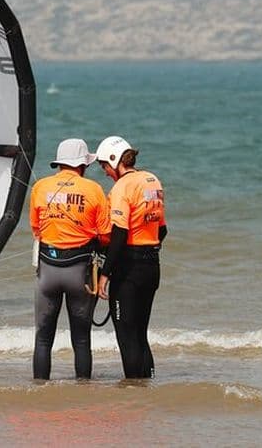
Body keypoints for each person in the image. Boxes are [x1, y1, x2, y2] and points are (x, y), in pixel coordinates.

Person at [29, 138, 111, 380]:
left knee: (43, 338)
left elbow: (36, 228)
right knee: (82, 339)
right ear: (83, 165)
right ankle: (83, 393)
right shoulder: (93, 190)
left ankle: (39, 392)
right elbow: (105, 236)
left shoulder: (40, 187)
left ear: (60, 163)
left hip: (48, 272)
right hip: (80, 273)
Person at [95, 136, 167, 379]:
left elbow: (119, 234)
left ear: (115, 161)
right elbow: (162, 229)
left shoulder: (122, 187)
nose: (105, 172)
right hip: (151, 266)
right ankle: (147, 387)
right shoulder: (152, 180)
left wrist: (105, 274)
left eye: (104, 166)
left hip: (129, 269)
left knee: (127, 337)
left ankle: (134, 393)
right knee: (140, 334)